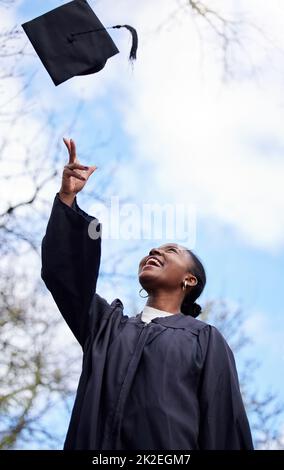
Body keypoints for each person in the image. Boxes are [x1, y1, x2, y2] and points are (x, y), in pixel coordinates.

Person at [41, 138, 254, 450]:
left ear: (189, 280)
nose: (155, 249)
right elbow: (64, 276)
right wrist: (67, 200)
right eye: (155, 248)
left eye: (172, 250)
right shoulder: (107, 328)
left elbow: (224, 425)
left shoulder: (205, 340)